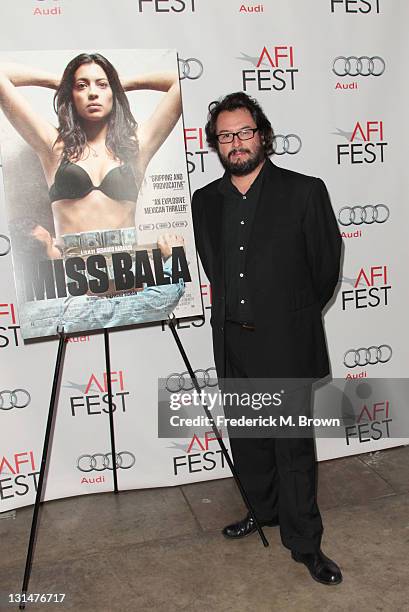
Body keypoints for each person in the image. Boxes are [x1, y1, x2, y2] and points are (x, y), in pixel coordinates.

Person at [192, 92, 343, 585]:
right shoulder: (204, 201)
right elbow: (214, 266)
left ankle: (305, 543)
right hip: (233, 341)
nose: (236, 143)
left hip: (285, 341)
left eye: (245, 132)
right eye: (226, 135)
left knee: (292, 448)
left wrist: (291, 317)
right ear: (216, 144)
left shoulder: (304, 192)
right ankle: (263, 510)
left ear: (263, 136)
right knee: (250, 440)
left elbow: (323, 268)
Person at [0, 53, 186, 335]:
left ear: (114, 92)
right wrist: (60, 82)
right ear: (70, 95)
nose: (92, 93)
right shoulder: (55, 148)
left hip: (128, 275)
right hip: (73, 280)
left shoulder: (136, 148)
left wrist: (121, 83)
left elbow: (181, 79)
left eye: (101, 85)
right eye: (81, 86)